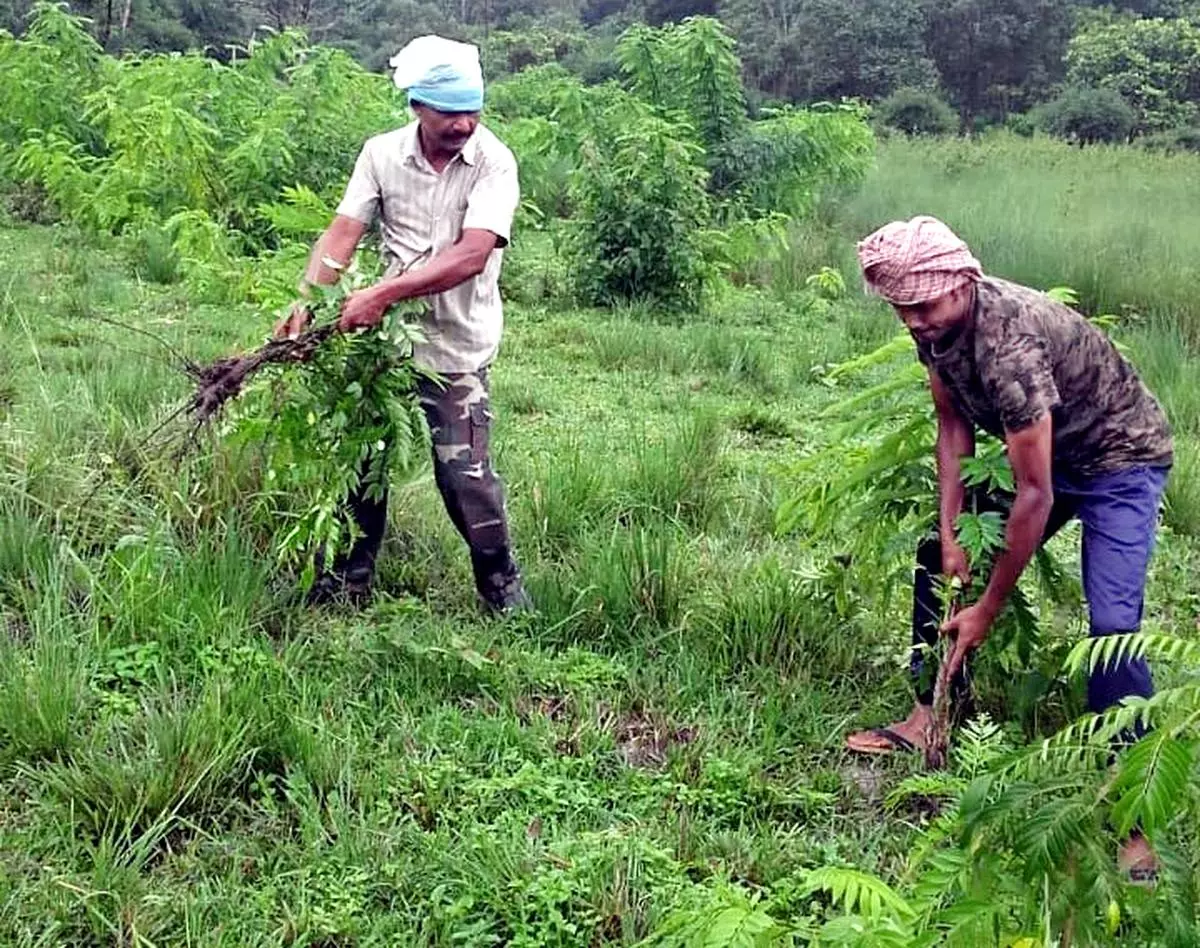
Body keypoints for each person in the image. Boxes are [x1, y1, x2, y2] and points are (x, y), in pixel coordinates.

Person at [844, 216, 1172, 874]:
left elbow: (1035, 495)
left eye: (925, 306)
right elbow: (951, 425)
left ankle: (1132, 814)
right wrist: (952, 530)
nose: (913, 322)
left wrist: (988, 607)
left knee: (1113, 628)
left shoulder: (1007, 344)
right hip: (1050, 460)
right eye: (902, 309)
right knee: (936, 560)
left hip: (1119, 462)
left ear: (962, 285)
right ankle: (928, 716)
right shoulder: (937, 331)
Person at [275, 35, 530, 613]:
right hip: (381, 346)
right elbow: (343, 233)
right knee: (362, 461)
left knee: (464, 475)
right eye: (450, 112)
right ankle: (346, 585)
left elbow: (473, 254)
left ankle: (501, 585)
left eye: (473, 110)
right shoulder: (381, 154)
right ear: (417, 106)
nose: (465, 123)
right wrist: (306, 300)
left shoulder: (495, 161)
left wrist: (382, 293)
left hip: (458, 343)